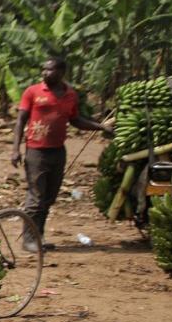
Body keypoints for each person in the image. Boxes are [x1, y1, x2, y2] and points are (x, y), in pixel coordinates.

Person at [11, 56, 113, 251]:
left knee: (49, 197)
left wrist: (100, 127)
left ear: (61, 73)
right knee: (36, 197)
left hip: (58, 151)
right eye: (44, 69)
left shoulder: (70, 95)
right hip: (36, 151)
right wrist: (15, 149)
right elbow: (20, 121)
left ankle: (38, 236)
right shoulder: (32, 92)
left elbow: (75, 120)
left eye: (50, 70)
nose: (45, 73)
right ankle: (28, 239)